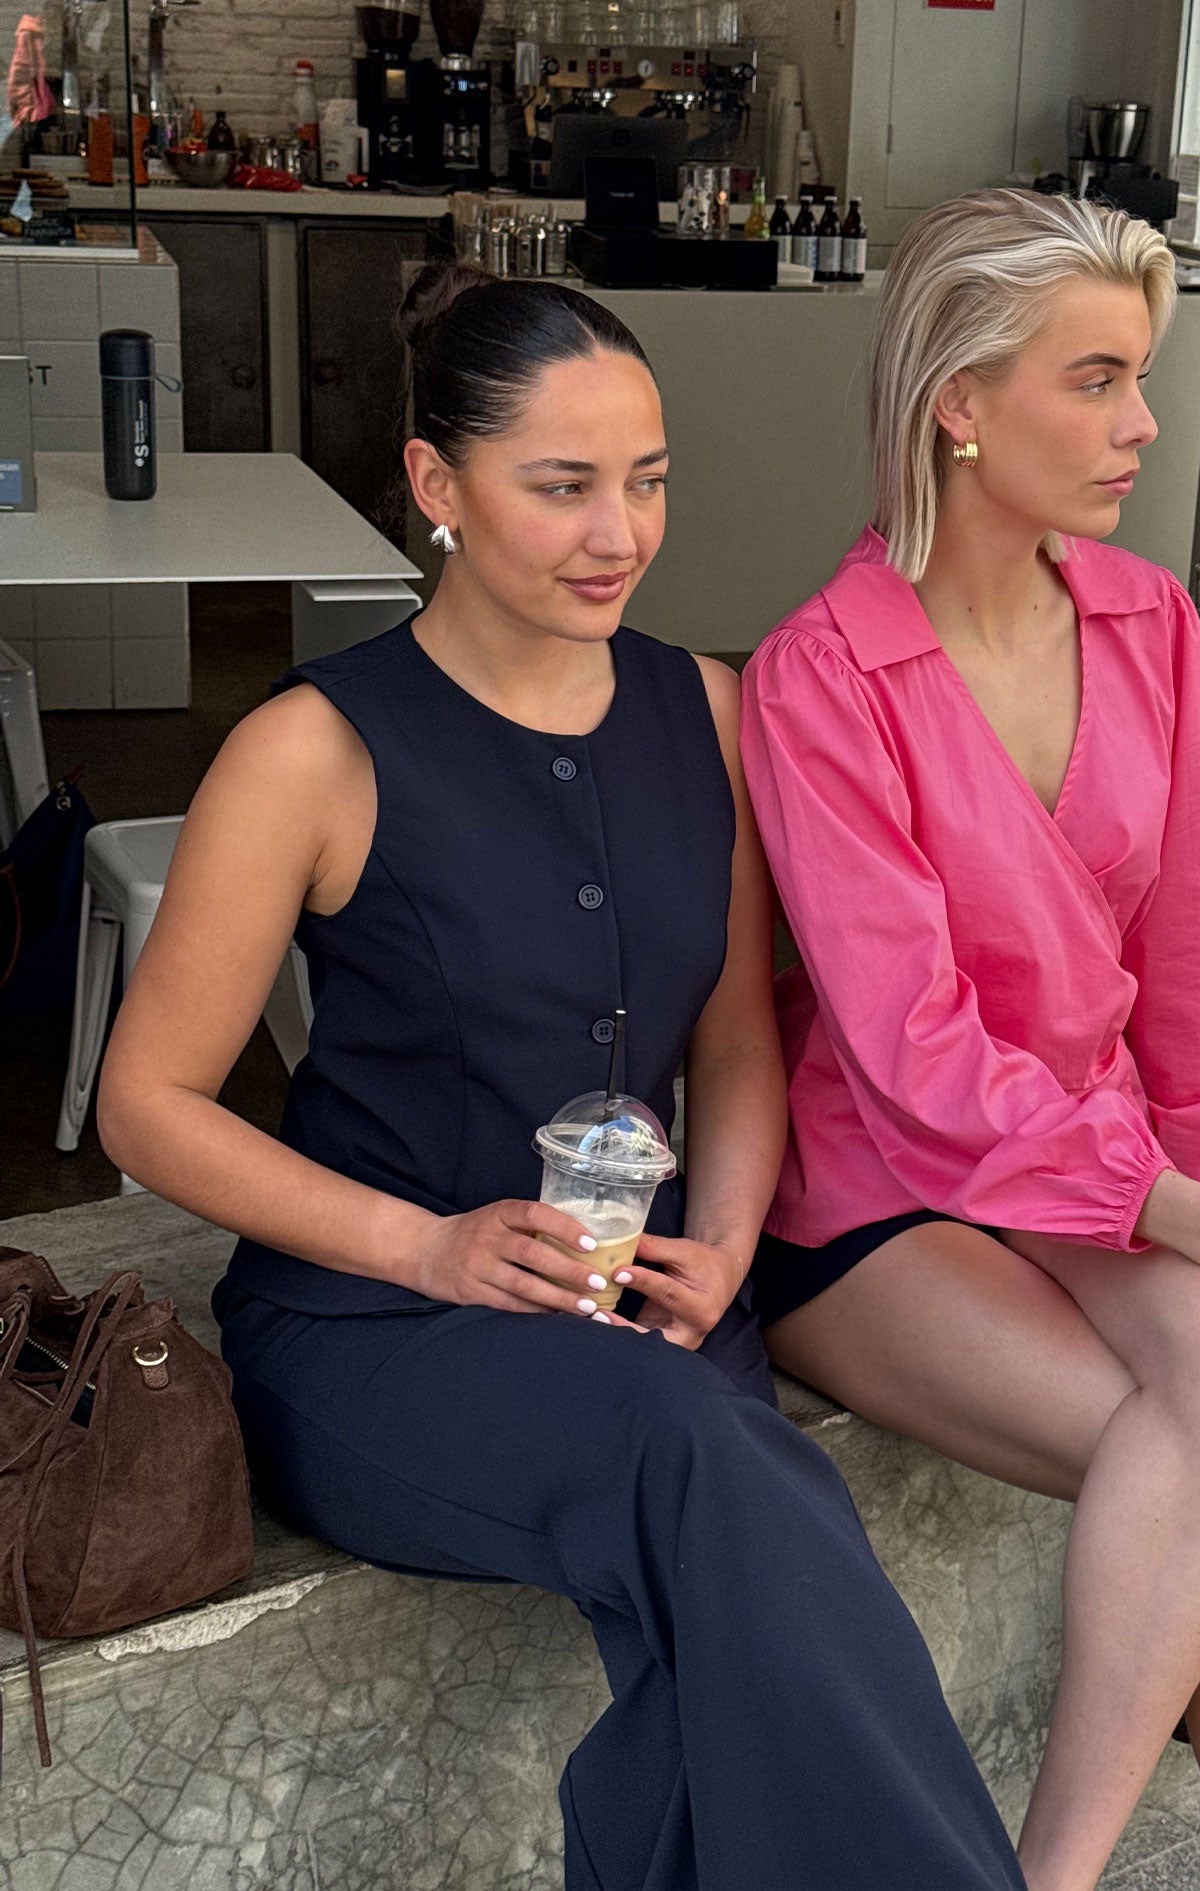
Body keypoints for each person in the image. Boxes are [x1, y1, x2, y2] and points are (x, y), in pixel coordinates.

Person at [96, 266, 1026, 1891]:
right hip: (375, 1333)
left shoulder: (707, 711)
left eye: (648, 481)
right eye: (563, 486)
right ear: (438, 485)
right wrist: (427, 1245)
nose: (620, 532)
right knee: (719, 1480)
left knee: (712, 1604)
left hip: (644, 1312)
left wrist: (721, 1245)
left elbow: (735, 1039)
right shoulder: (313, 750)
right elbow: (147, 1104)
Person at [739, 189, 1200, 1891]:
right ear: (960, 402)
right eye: (1096, 380)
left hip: (1095, 1174)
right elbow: (914, 1059)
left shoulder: (1147, 625)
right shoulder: (822, 676)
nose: (1145, 423)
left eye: (1142, 376)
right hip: (881, 1197)